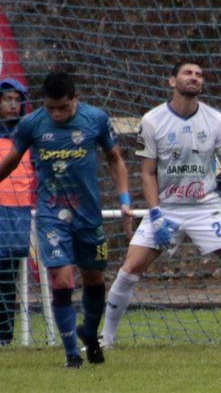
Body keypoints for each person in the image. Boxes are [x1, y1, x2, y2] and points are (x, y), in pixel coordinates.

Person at [100, 60, 221, 351]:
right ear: (172, 81)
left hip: (206, 207)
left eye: (199, 75)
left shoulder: (216, 120)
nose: (194, 78)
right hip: (166, 209)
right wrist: (154, 214)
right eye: (187, 73)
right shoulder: (152, 121)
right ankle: (107, 337)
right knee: (130, 268)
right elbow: (147, 172)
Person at [0, 67, 132, 368]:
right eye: (50, 108)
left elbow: (115, 159)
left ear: (76, 98)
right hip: (51, 214)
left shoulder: (95, 119)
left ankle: (90, 334)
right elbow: (10, 162)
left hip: (87, 215)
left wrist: (124, 201)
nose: (56, 114)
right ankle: (71, 354)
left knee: (95, 278)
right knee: (61, 280)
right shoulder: (32, 124)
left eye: (63, 108)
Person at [0, 78, 35, 345]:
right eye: (7, 99)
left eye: (16, 100)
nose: (12, 105)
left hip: (16, 215)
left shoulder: (28, 136)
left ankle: (4, 335)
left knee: (7, 276)